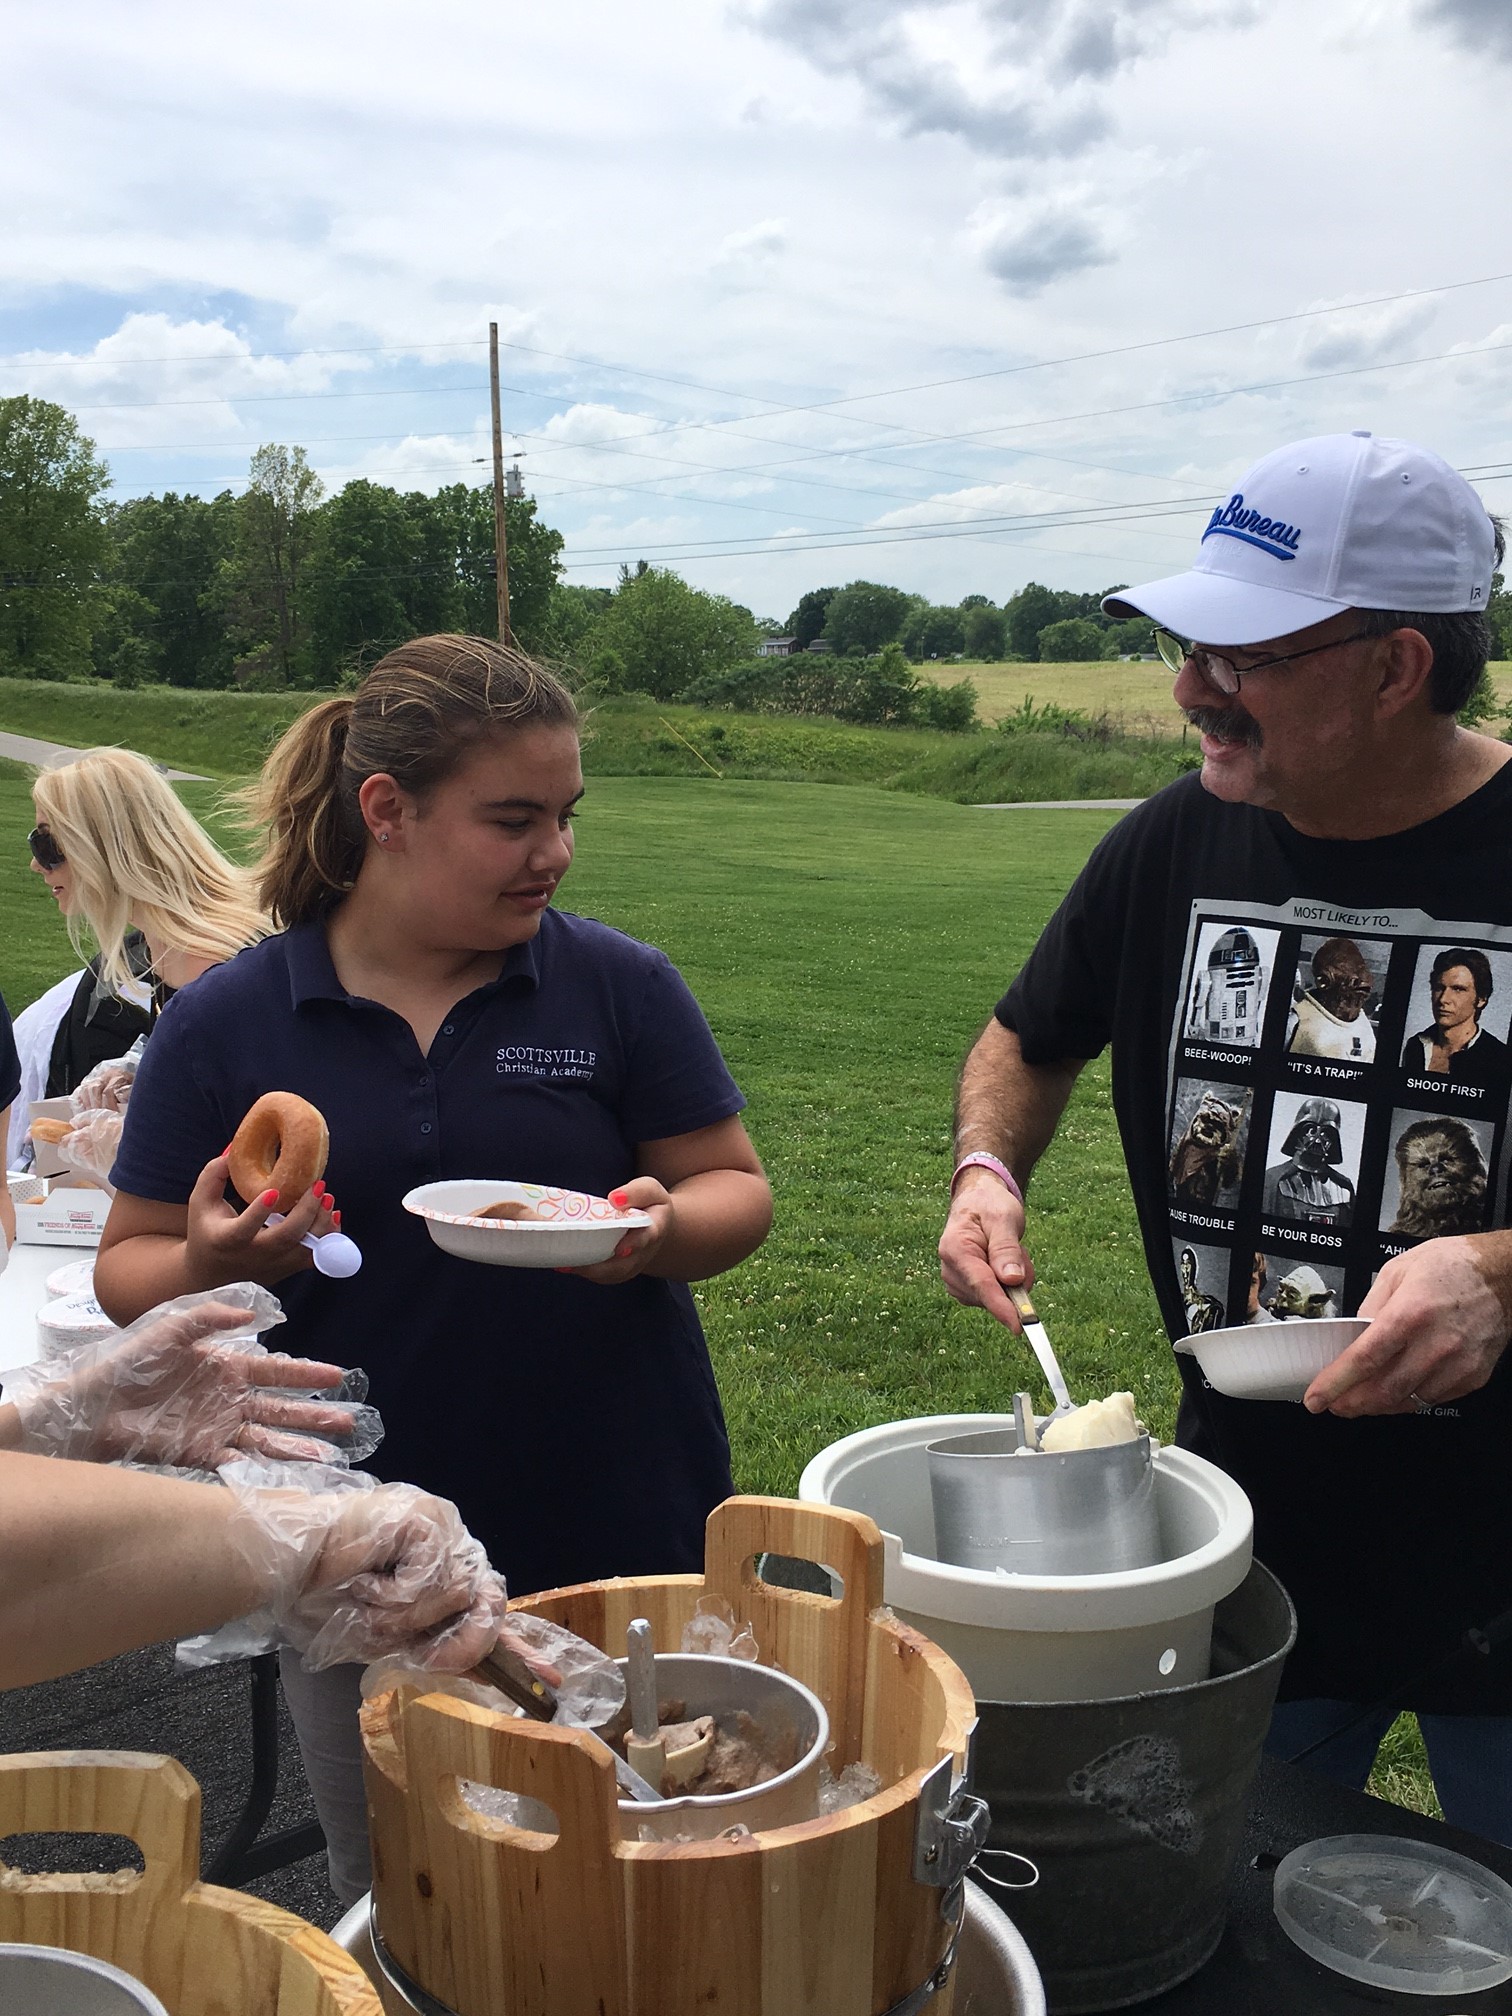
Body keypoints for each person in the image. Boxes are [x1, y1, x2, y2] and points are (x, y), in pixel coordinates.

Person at [92, 632, 773, 1900]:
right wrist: (209, 1255)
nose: (555, 854)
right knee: (415, 1883)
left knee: (663, 1858)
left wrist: (657, 1232)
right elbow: (126, 1271)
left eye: (567, 816)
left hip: (616, 1497)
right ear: (387, 811)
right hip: (360, 1550)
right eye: (515, 820)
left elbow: (734, 1187)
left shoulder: (612, 985)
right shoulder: (230, 1020)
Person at [939, 431, 1512, 1842]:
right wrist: (986, 1166)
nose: (1194, 685)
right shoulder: (1171, 841)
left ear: (1398, 667)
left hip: (1506, 1546)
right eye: (1187, 642)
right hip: (1259, 1527)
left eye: (1243, 654)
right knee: (1239, 1879)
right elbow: (1028, 1038)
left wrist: (1500, 1270)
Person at [22, 749, 267, 1184]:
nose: (36, 864)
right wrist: (141, 1069)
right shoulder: (163, 944)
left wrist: (139, 1137)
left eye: (47, 843)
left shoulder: (217, 954)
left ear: (100, 844)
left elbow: (256, 1116)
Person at [1401, 947, 1510, 1084]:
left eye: (1458, 989)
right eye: (1439, 988)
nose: (1443, 999)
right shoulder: (1415, 1045)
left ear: (1481, 999)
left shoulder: (1500, 1057)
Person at [1260, 1097, 1356, 1228]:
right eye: (1310, 1131)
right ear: (1298, 1133)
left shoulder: (1343, 1186)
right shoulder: (1272, 1179)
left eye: (1325, 1133)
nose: (1317, 1140)